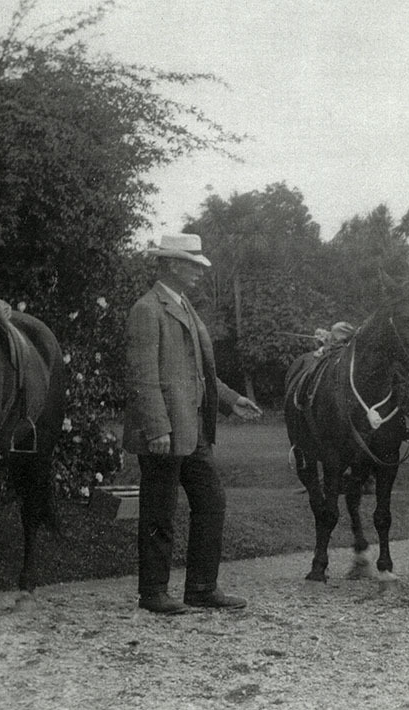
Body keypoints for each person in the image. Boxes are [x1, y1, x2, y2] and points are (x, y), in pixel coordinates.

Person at [123, 233, 262, 615]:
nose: (199, 271)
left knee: (212, 502)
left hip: (193, 430)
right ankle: (153, 593)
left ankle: (201, 588)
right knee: (159, 511)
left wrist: (232, 401)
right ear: (170, 265)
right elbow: (142, 377)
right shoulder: (147, 309)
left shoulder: (185, 307)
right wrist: (157, 428)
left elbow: (199, 374)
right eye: (192, 264)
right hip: (165, 431)